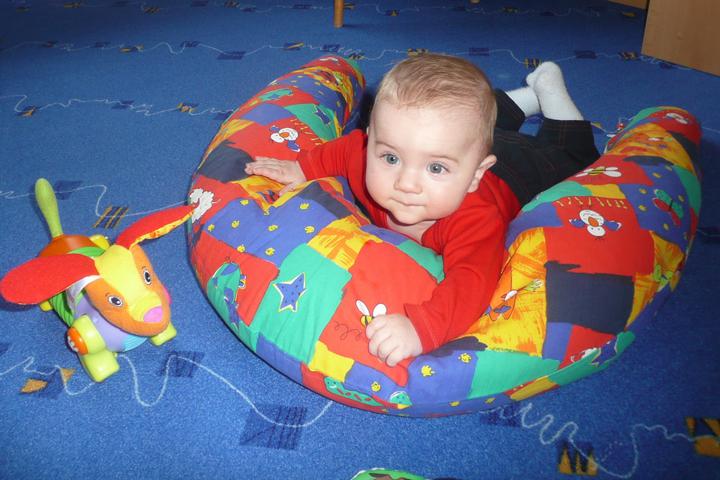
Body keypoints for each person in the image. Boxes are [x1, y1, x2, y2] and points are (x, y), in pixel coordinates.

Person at [245, 54, 599, 367]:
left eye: (434, 169)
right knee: (464, 126)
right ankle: (521, 101)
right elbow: (346, 150)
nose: (406, 183)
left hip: (517, 171)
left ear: (476, 175)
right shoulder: (367, 158)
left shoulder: (476, 221)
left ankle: (549, 90)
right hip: (459, 147)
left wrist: (421, 327)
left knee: (575, 155)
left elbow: (472, 283)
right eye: (391, 158)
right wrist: (303, 167)